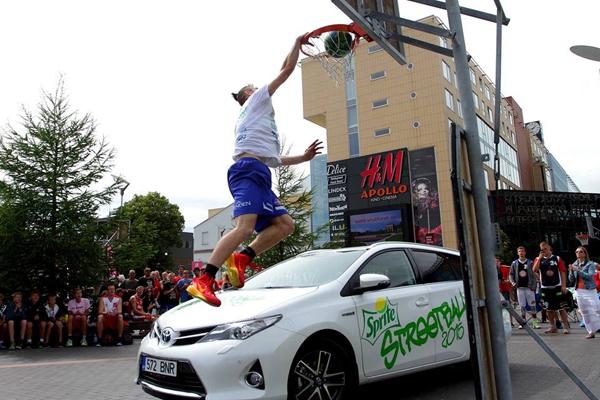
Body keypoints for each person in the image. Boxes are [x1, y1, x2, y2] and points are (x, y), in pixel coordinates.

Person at [187, 35, 323, 307]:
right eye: (255, 87)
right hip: (247, 170)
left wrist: (304, 157)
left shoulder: (259, 121)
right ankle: (204, 279)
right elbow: (286, 69)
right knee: (245, 226)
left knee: (285, 225)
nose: (260, 87)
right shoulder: (256, 101)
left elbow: (275, 160)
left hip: (259, 171)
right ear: (249, 94)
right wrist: (297, 42)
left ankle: (242, 258)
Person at [532, 242, 571, 334]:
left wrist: (564, 285)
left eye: (545, 249)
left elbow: (562, 271)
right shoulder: (538, 259)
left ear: (549, 249)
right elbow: (534, 270)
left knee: (561, 307)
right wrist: (540, 259)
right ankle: (552, 326)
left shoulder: (556, 258)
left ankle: (565, 326)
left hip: (556, 286)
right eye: (542, 249)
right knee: (548, 308)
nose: (544, 251)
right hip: (545, 287)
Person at [568, 246, 600, 338]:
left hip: (589, 290)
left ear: (585, 254)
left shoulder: (590, 264)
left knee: (597, 309)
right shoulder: (574, 264)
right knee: (584, 312)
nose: (578, 253)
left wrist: (578, 270)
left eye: (581, 251)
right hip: (579, 291)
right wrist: (571, 271)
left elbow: (590, 276)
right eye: (577, 251)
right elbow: (571, 280)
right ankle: (591, 331)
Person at [509, 247, 541, 329]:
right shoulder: (515, 263)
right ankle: (523, 322)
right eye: (519, 251)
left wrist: (534, 285)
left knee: (532, 304)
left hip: (529, 287)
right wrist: (512, 282)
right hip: (520, 287)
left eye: (522, 251)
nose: (521, 253)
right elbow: (511, 274)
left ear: (525, 252)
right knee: (522, 305)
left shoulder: (530, 262)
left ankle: (535, 321)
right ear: (517, 253)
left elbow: (534, 274)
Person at [412, 177, 442, 245]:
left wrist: (434, 232)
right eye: (420, 189)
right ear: (415, 193)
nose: (424, 191)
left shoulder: (434, 205)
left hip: (436, 240)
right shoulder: (414, 208)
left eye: (426, 188)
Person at [496, 256, 514, 327]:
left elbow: (507, 278)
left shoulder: (504, 269)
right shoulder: (492, 269)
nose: (496, 262)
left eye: (497, 261)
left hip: (504, 289)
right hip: (497, 290)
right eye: (495, 261)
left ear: (500, 262)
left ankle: (511, 321)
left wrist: (506, 281)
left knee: (507, 305)